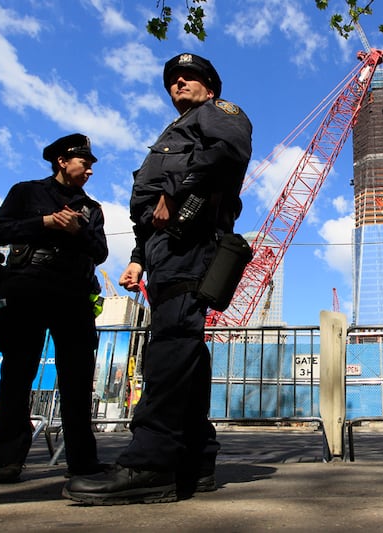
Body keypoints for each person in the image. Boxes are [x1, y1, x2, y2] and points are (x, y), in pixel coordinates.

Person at [63, 53, 252, 505]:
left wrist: (176, 190)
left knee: (170, 344)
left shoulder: (218, 113)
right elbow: (149, 215)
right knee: (184, 345)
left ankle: (150, 463)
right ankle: (194, 459)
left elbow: (229, 152)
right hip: (165, 248)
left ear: (210, 85)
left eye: (188, 77)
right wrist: (138, 259)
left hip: (192, 238)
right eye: (171, 81)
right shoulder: (178, 129)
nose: (178, 83)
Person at [0, 133, 109, 484]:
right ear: (62, 161)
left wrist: (76, 230)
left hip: (73, 294)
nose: (89, 171)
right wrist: (45, 223)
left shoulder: (92, 208)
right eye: (84, 164)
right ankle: (9, 459)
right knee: (17, 375)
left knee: (77, 379)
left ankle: (83, 461)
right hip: (29, 289)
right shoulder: (26, 192)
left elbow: (99, 252)